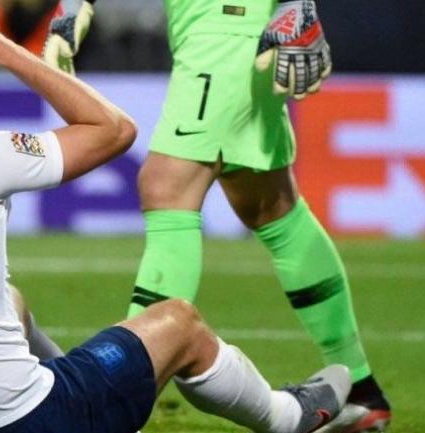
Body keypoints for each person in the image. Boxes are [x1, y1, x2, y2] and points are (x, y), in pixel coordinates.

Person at [0, 6, 351, 433]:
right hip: (31, 422)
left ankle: (78, 387)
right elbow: (114, 128)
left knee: (12, 301)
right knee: (179, 322)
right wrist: (5, 50)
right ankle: (290, 418)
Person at [43, 1, 392, 432]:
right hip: (242, 37)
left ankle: (119, 388)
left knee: (166, 187)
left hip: (221, 36)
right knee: (273, 211)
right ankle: (360, 389)